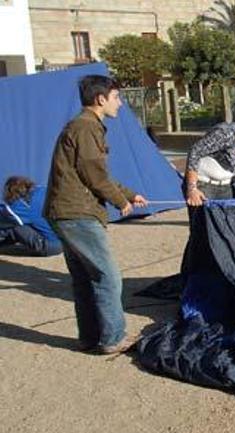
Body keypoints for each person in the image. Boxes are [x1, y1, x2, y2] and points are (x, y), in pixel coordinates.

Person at [43, 74, 149, 354]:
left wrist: (128, 194)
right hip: (76, 213)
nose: (120, 104)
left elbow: (97, 173)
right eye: (116, 98)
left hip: (64, 212)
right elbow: (94, 173)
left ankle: (90, 337)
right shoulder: (86, 127)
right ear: (100, 99)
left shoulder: (85, 127)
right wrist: (118, 201)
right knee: (107, 275)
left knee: (85, 278)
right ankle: (113, 337)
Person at [0, 176, 63, 256]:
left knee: (14, 226)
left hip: (51, 247)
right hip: (64, 241)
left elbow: (4, 219)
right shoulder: (42, 189)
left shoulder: (20, 206)